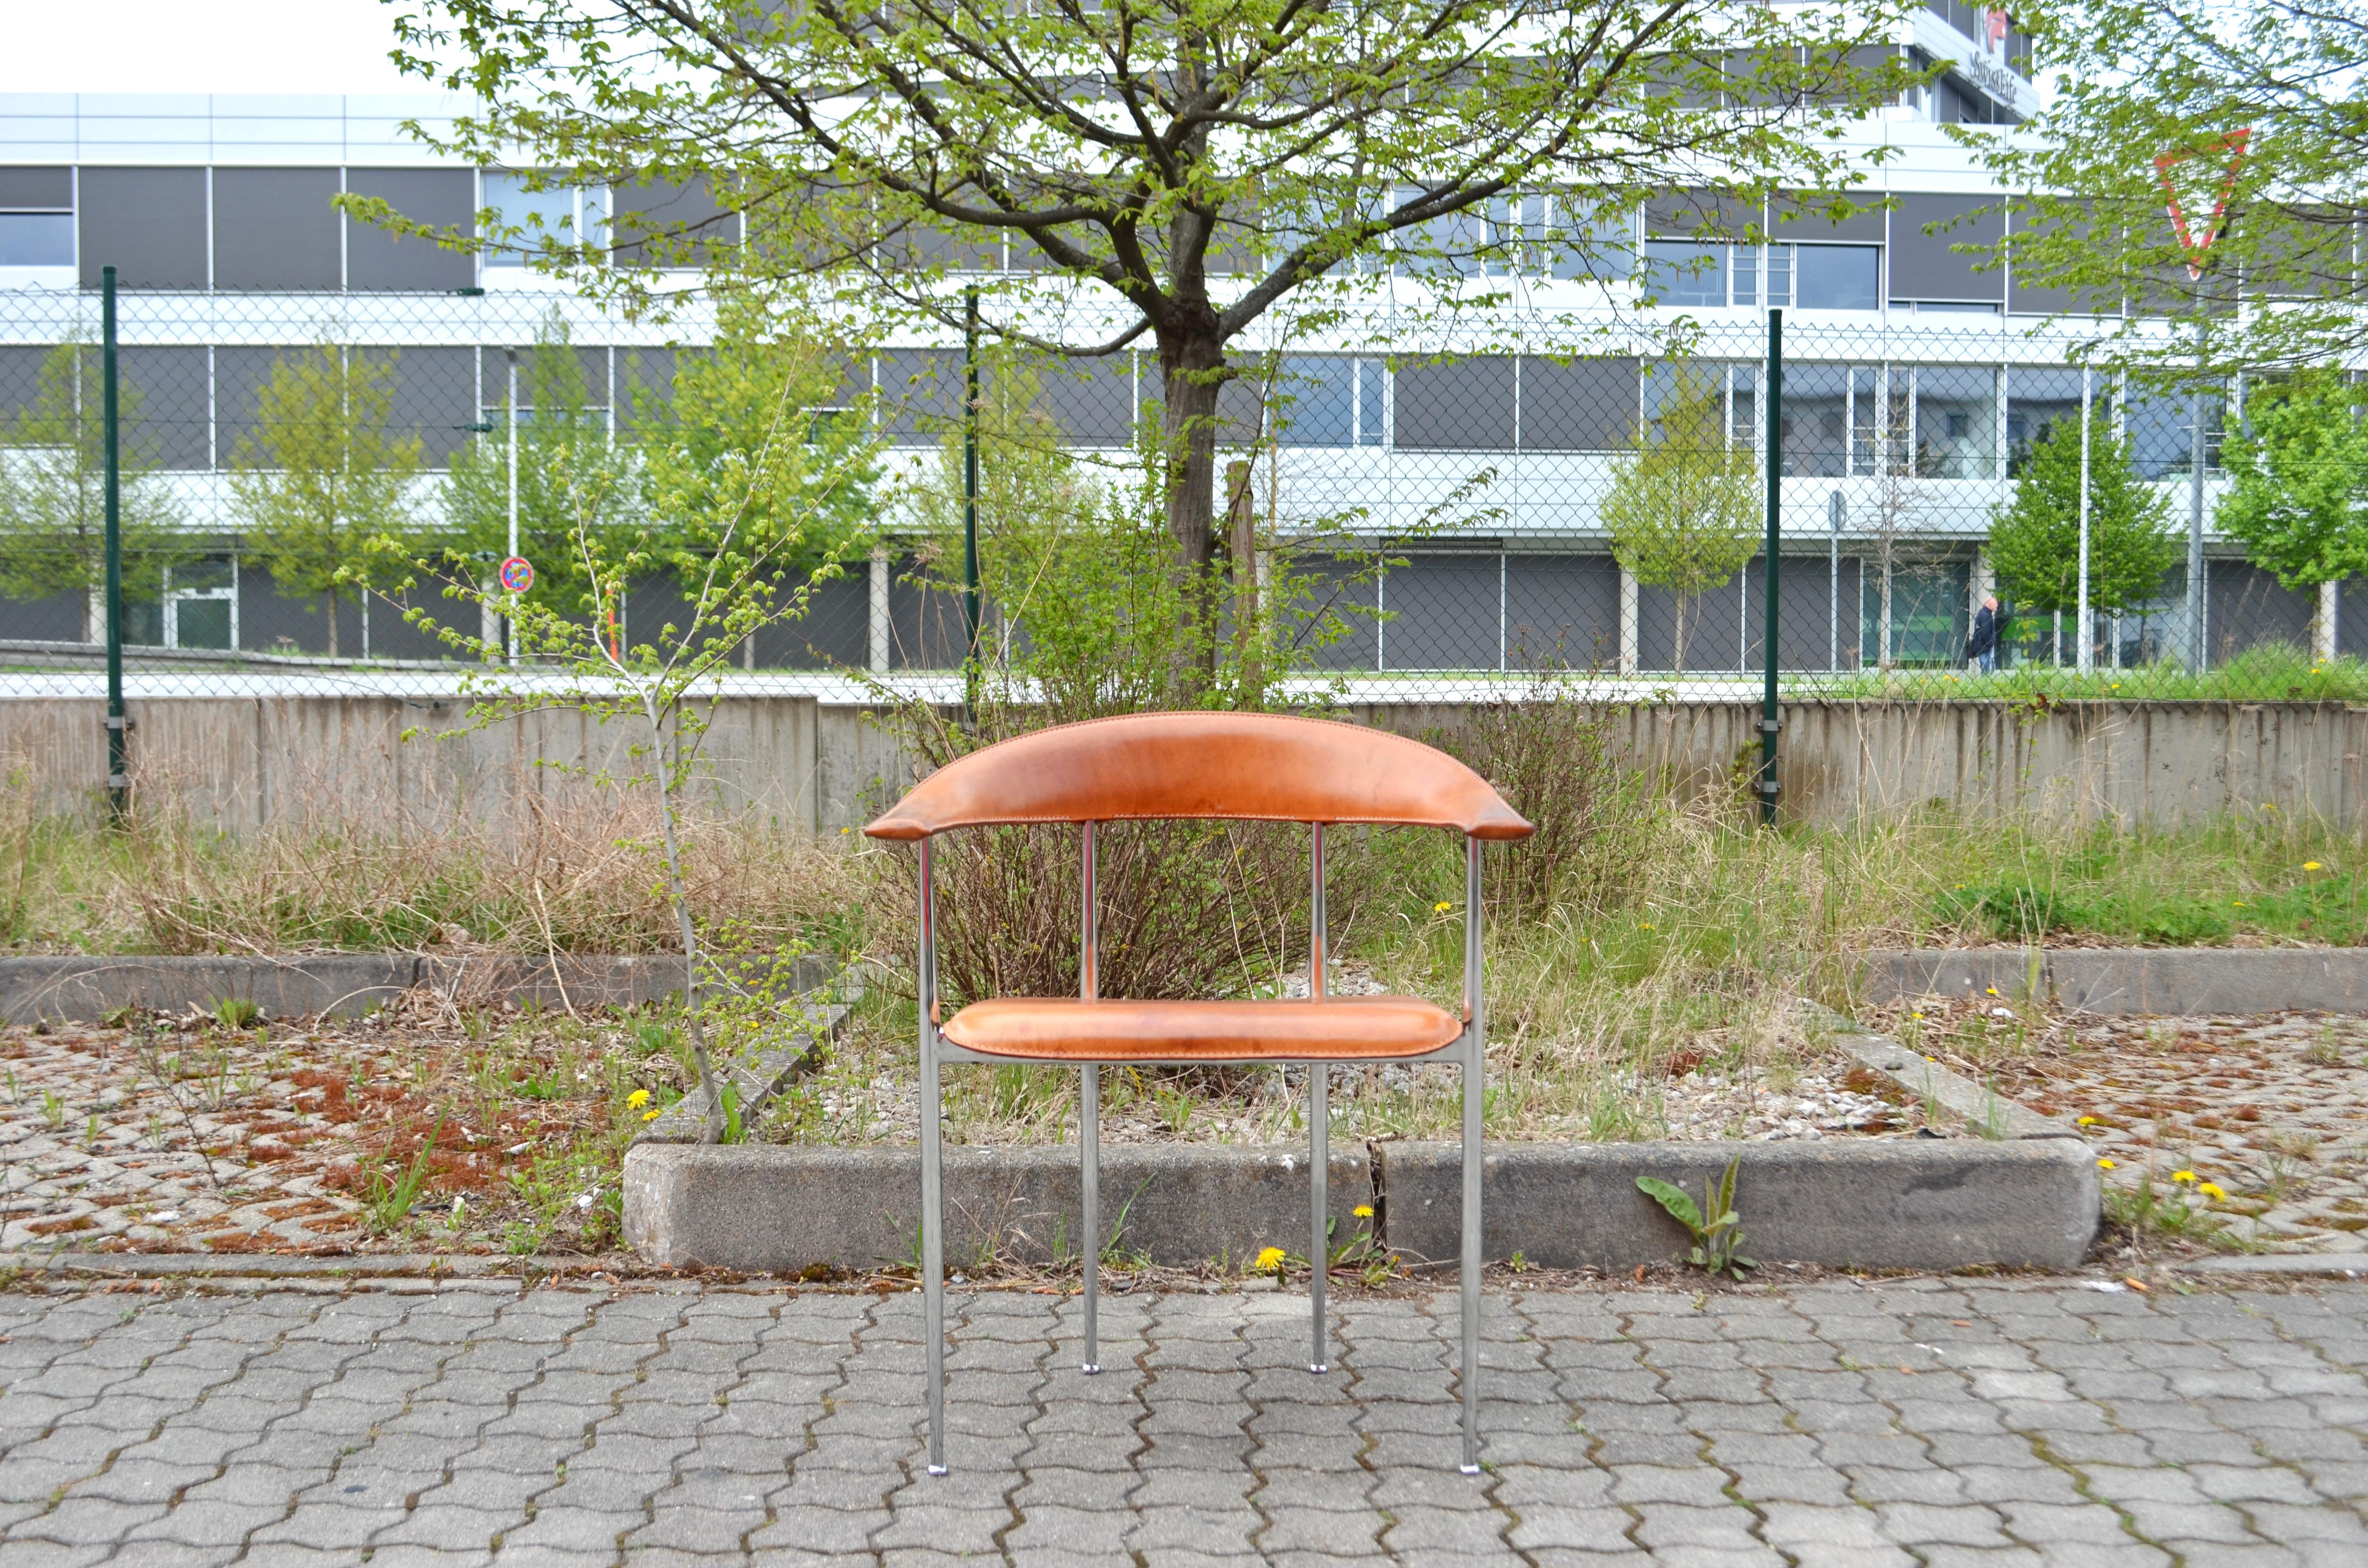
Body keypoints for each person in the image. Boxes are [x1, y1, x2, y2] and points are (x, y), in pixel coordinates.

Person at [1964, 594, 1999, 674]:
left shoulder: (1984, 613)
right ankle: (1986, 683)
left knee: (1987, 667)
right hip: (1984, 646)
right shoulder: (1986, 616)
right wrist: (1990, 643)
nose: (1997, 606)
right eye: (1995, 604)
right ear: (1990, 604)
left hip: (1982, 645)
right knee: (1987, 669)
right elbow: (1985, 632)